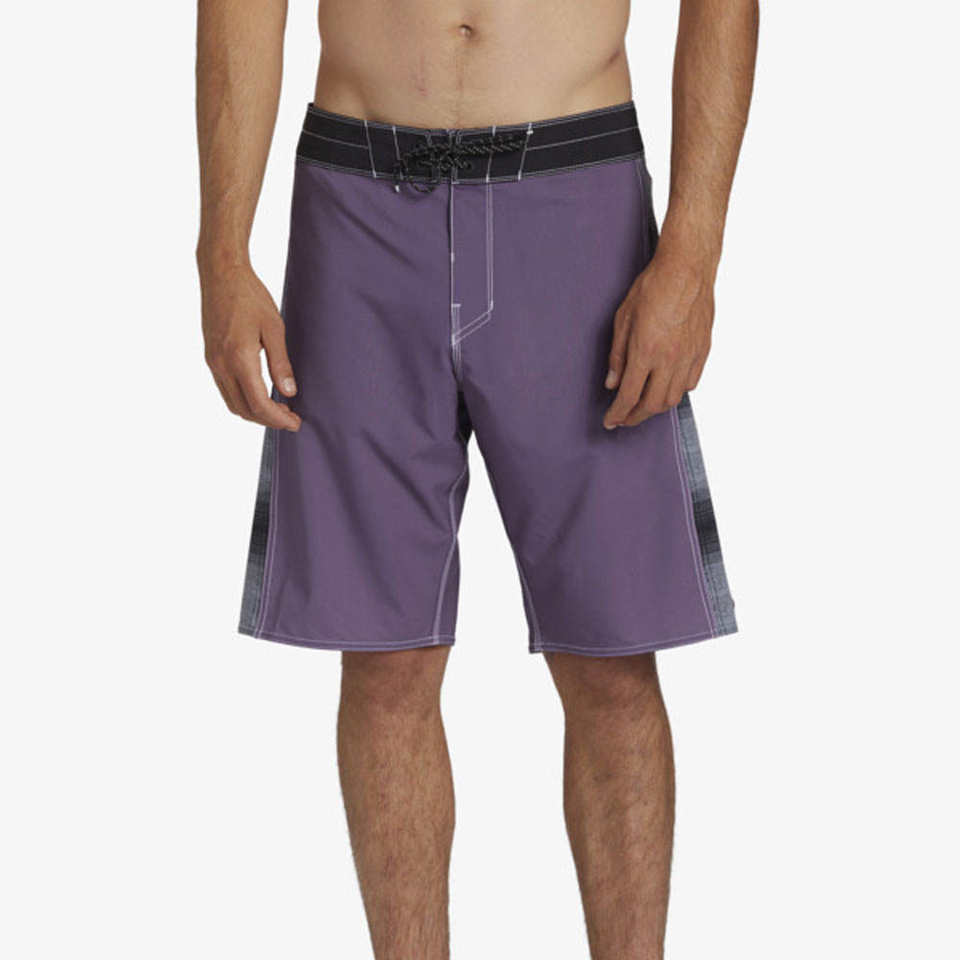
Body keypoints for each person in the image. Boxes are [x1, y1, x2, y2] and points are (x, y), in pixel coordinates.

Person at [196, 0, 757, 956]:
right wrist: (222, 249)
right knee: (385, 658)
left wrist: (694, 249)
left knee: (612, 655)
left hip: (576, 192)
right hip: (358, 195)